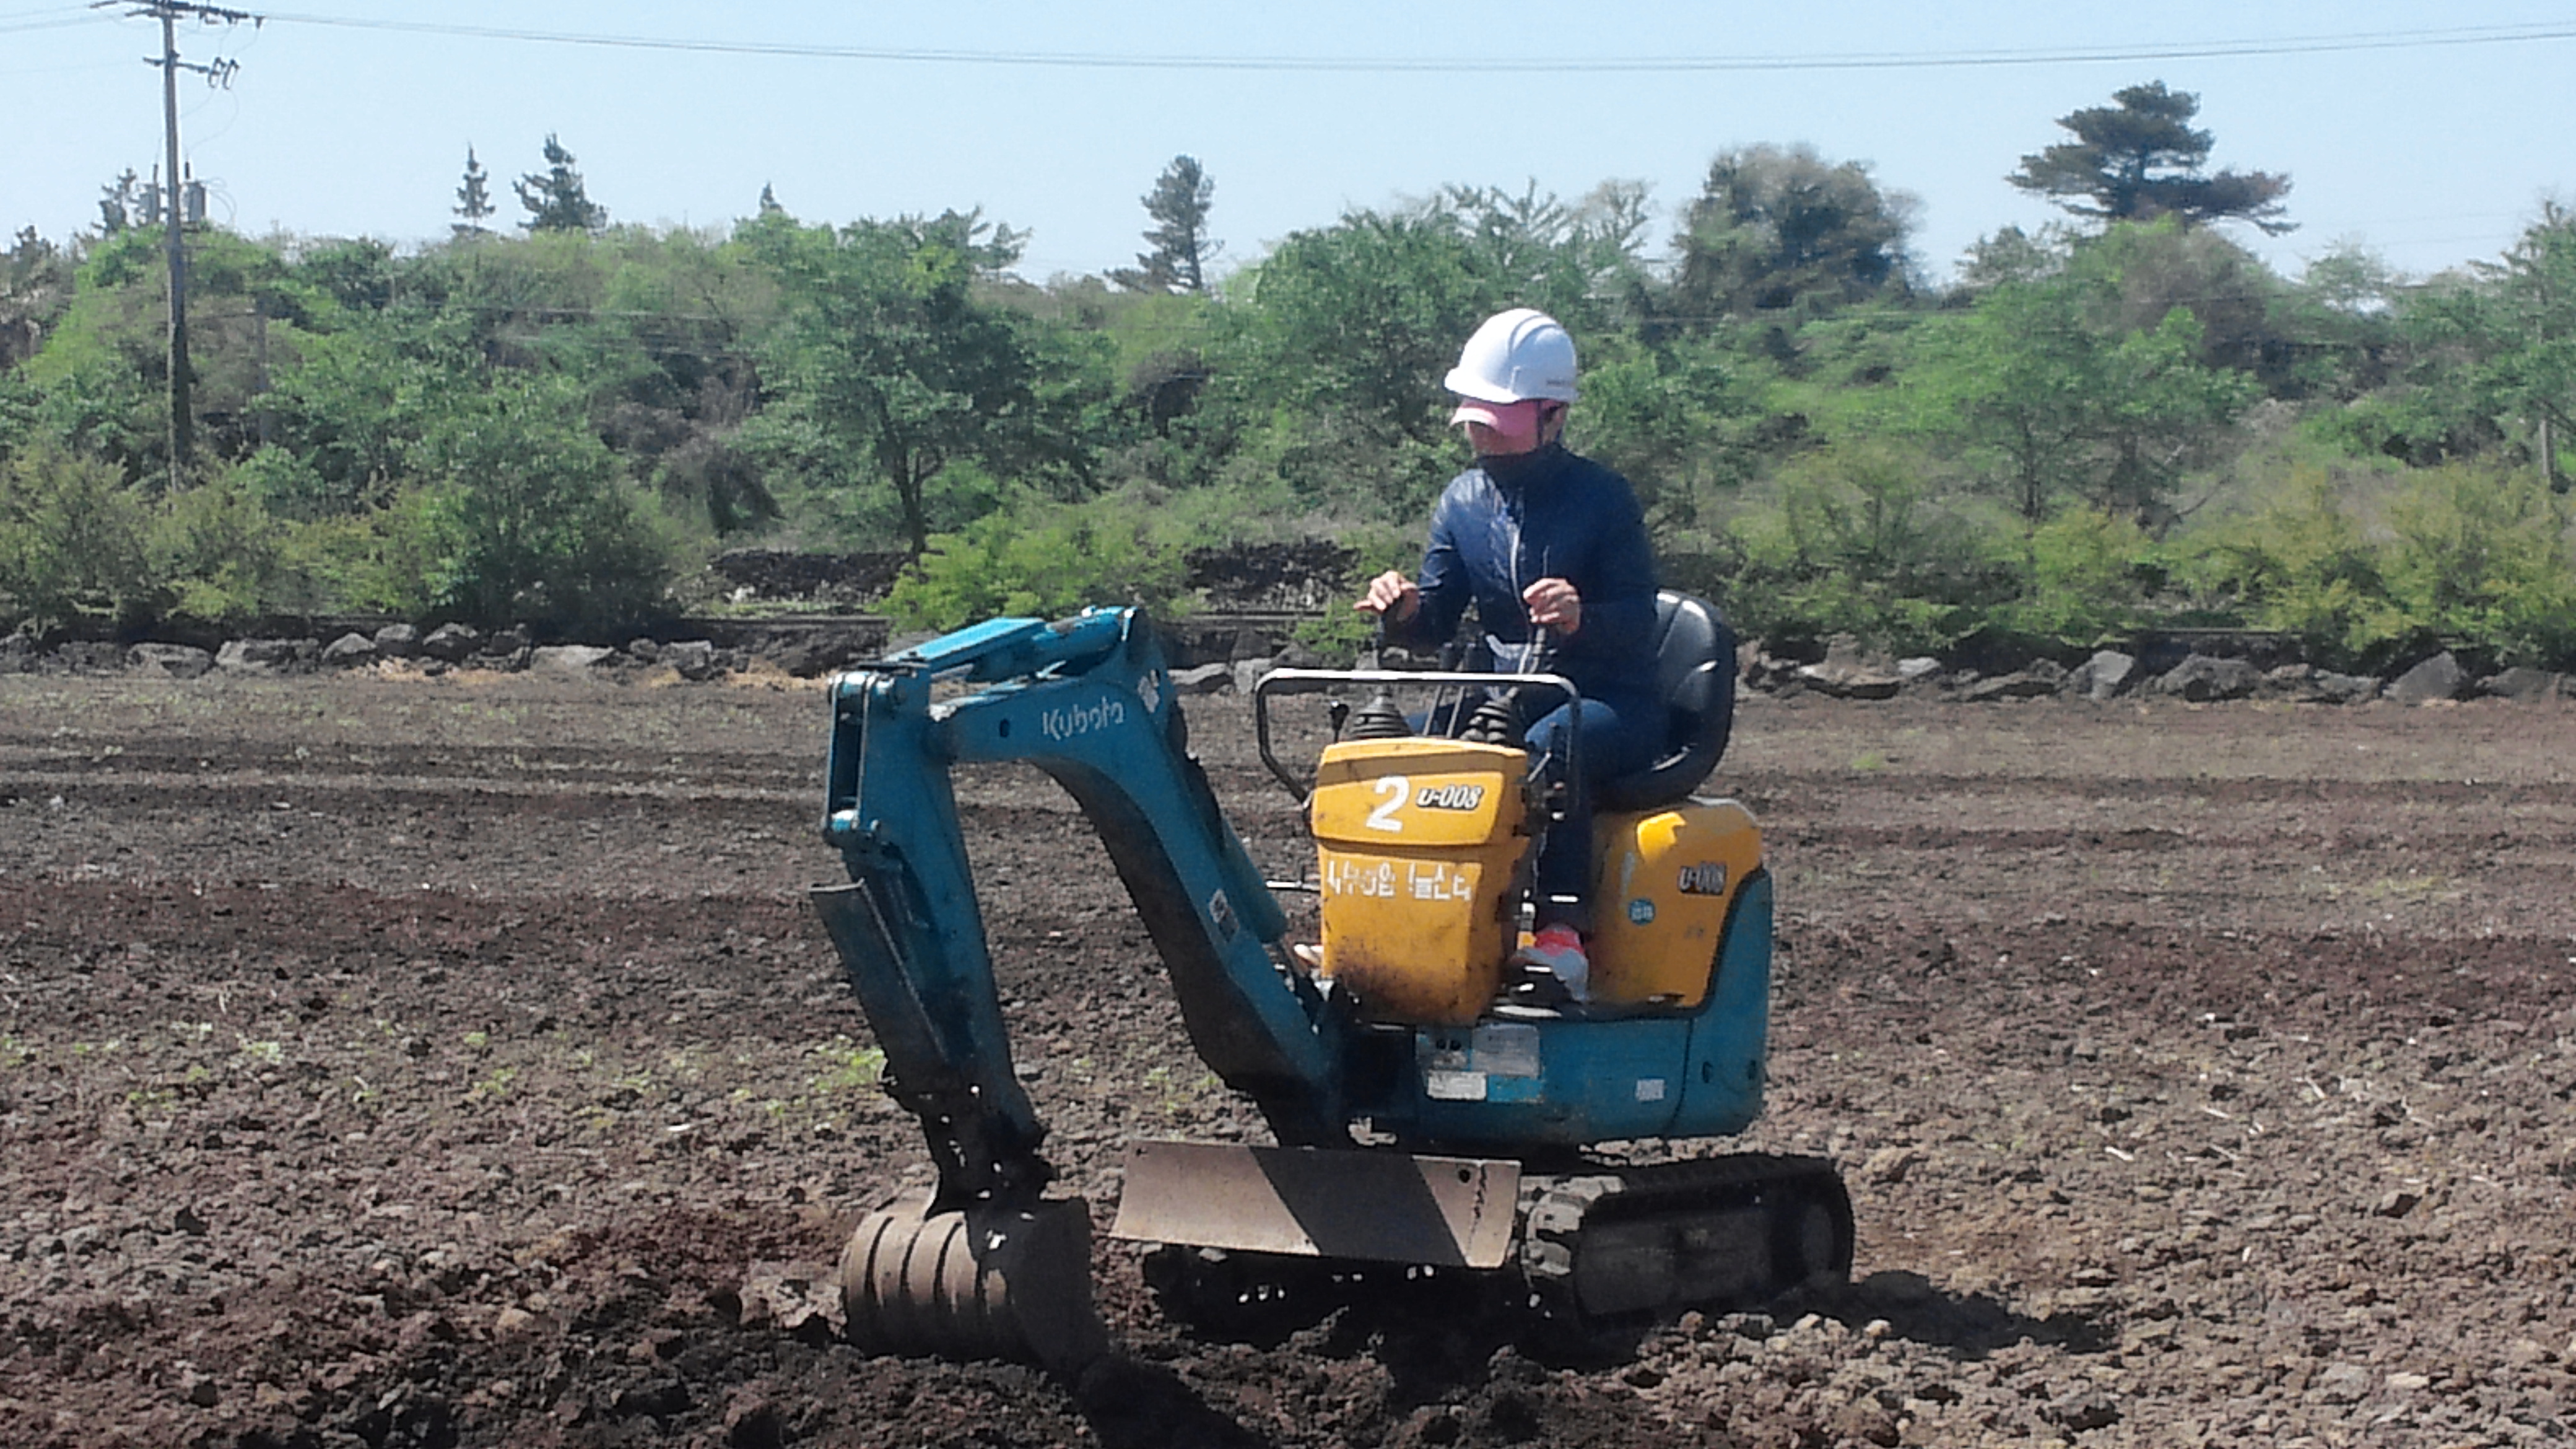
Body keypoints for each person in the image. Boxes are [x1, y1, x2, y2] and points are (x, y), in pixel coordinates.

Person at [1355, 307, 1665, 1002]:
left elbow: (1639, 619)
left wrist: (1581, 616)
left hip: (1608, 699)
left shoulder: (1603, 499)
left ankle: (1561, 932)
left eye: (1499, 413)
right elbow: (1433, 619)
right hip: (1505, 695)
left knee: (1553, 742)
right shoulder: (1462, 499)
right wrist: (1403, 608)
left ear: (1552, 415)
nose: (1478, 429)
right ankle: (1409, 921)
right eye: (1474, 413)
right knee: (1409, 747)